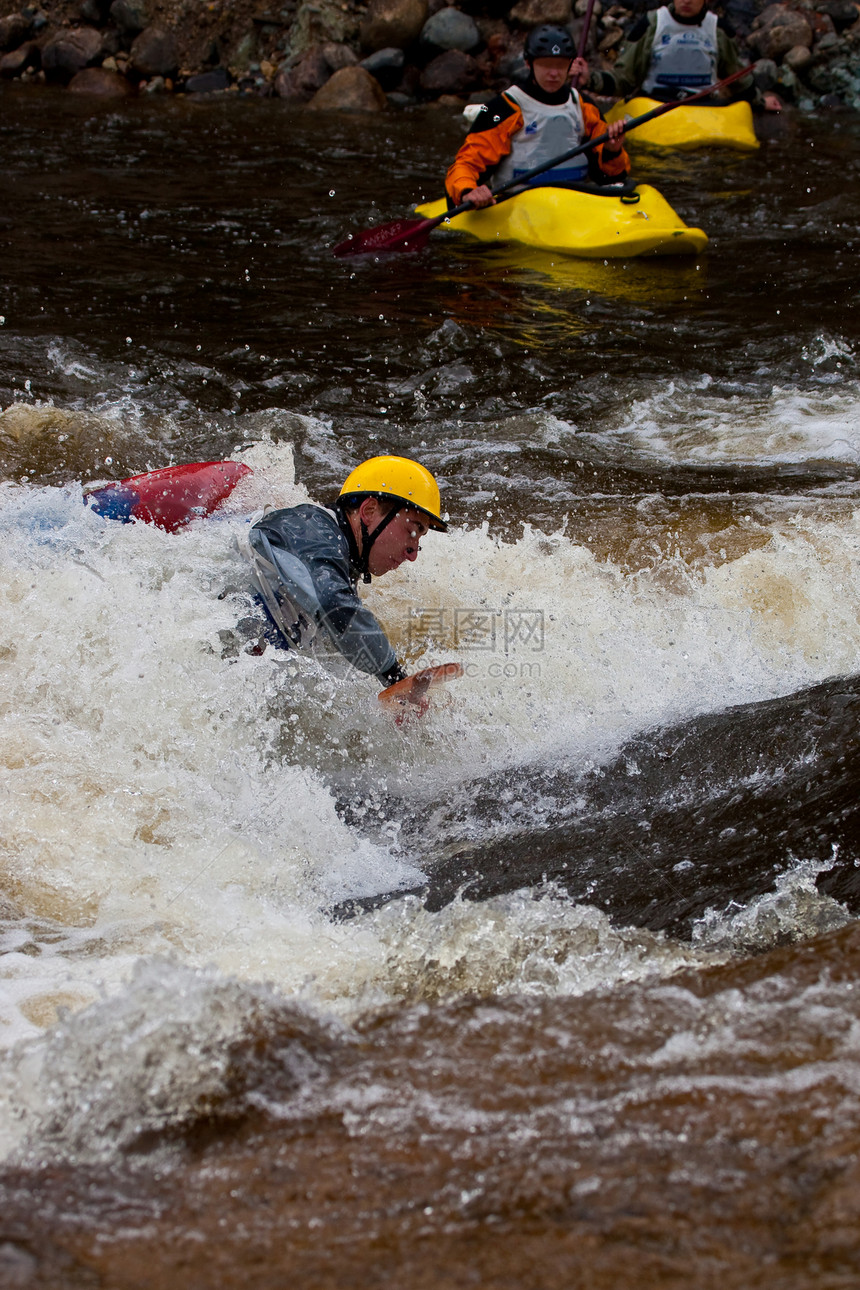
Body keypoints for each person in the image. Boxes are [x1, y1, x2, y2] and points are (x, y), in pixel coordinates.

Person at [247, 455, 446, 688]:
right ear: (369, 511)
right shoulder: (311, 530)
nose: (413, 554)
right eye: (412, 531)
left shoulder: (340, 558)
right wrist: (394, 678)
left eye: (419, 540)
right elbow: (334, 604)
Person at [445, 24, 629, 210]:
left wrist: (612, 151)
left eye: (561, 65)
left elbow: (611, 178)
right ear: (528, 63)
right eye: (546, 65)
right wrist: (468, 190)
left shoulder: (584, 106)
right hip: (519, 208)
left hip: (574, 205)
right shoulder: (504, 108)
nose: (554, 73)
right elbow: (466, 164)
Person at [583, 0, 781, 110]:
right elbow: (624, 80)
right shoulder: (651, 24)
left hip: (704, 105)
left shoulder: (719, 30)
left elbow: (736, 78)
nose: (687, 0)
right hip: (655, 104)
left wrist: (760, 102)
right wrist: (589, 79)